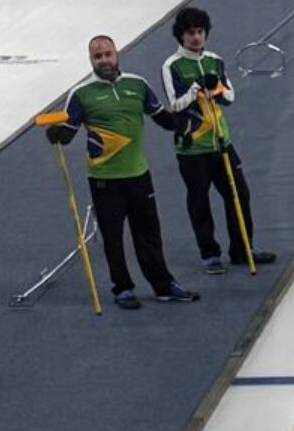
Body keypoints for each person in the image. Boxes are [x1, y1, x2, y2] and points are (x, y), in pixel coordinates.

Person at [41, 34, 199, 310]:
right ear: (91, 60)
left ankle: (163, 286)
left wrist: (184, 128)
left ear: (117, 54)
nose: (104, 60)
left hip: (139, 175)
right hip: (105, 181)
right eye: (97, 56)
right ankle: (122, 288)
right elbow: (68, 133)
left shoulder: (138, 84)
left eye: (107, 54)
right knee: (113, 237)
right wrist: (54, 134)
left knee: (149, 234)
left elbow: (160, 115)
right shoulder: (80, 94)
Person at [161, 5, 276, 275]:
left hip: (221, 142)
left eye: (200, 32)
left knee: (239, 194)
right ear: (181, 35)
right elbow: (175, 105)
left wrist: (217, 89)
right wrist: (196, 87)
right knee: (199, 200)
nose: (196, 38)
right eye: (191, 33)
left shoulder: (215, 60)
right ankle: (209, 254)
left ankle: (242, 248)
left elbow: (231, 97)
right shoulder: (172, 65)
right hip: (193, 148)